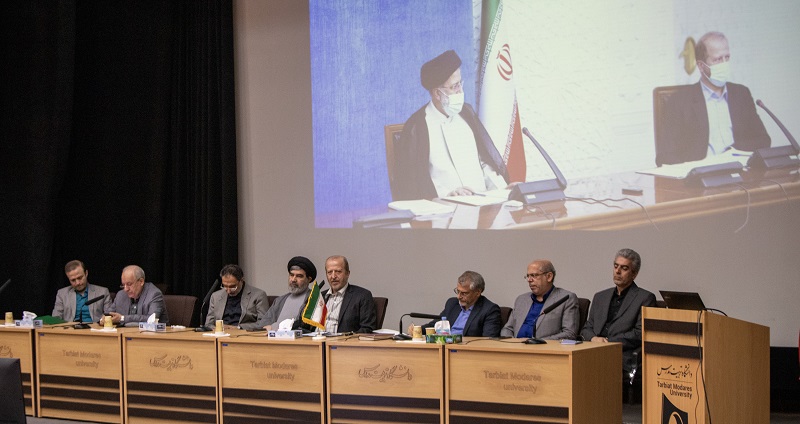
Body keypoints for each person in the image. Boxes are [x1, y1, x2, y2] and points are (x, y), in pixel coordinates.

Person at [393, 49, 510, 200]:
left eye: (460, 83)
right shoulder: (417, 127)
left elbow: (484, 162)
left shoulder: (466, 113)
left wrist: (504, 189)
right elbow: (411, 184)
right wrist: (446, 195)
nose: (461, 91)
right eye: (455, 86)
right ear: (437, 93)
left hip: (483, 203)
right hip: (443, 208)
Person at [656, 31, 770, 166]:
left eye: (727, 57)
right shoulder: (679, 102)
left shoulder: (741, 94)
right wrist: (692, 170)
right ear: (701, 66)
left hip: (740, 172)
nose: (724, 64)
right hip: (701, 175)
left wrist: (733, 151)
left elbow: (763, 140)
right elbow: (665, 155)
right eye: (717, 59)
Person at [580, 248, 656, 372]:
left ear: (634, 274)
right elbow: (587, 328)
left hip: (621, 355)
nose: (618, 271)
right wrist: (594, 339)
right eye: (616, 266)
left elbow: (639, 333)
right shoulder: (600, 297)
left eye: (624, 268)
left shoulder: (645, 298)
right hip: (592, 351)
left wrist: (608, 342)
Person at [501, 259, 579, 340]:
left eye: (534, 275)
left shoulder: (566, 299)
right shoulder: (521, 300)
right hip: (516, 346)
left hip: (545, 347)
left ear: (549, 277)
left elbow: (569, 334)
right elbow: (507, 329)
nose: (529, 280)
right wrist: (512, 343)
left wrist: (539, 342)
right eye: (528, 276)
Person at [418, 270, 502, 337]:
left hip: (466, 351)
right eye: (458, 291)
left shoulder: (489, 310)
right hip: (445, 348)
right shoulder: (452, 304)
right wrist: (418, 330)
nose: (459, 296)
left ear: (477, 292)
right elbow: (436, 324)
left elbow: (488, 340)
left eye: (464, 293)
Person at [254, 256, 318, 331]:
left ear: (309, 279)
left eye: (299, 276)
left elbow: (304, 326)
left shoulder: (314, 300)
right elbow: (263, 325)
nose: (293, 279)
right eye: (291, 275)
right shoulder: (279, 300)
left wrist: (274, 327)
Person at [321, 255, 376, 334]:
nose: (333, 276)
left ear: (347, 273)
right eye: (329, 272)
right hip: (315, 340)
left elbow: (367, 329)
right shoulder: (320, 296)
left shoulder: (362, 296)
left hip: (343, 341)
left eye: (338, 271)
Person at [205, 264, 269, 331]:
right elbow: (209, 324)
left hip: (244, 334)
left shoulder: (258, 295)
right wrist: (216, 329)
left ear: (241, 280)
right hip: (221, 334)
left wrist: (238, 328)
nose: (228, 291)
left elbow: (263, 323)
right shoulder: (215, 296)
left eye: (232, 287)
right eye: (225, 286)